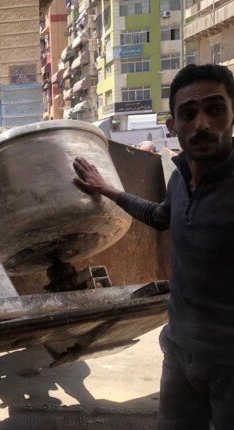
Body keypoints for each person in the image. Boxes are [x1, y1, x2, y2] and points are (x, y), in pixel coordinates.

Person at [73, 64, 234, 429]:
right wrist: (107, 189)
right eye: (188, 114)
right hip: (179, 352)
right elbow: (160, 216)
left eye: (215, 109)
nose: (202, 124)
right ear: (172, 125)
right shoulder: (179, 180)